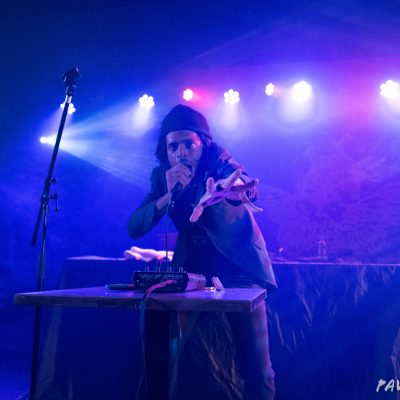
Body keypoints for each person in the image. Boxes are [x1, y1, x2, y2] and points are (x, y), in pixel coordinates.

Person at [128, 104, 277, 400]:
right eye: (173, 146)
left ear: (203, 144)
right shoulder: (162, 176)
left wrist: (231, 188)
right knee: (161, 352)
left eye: (189, 144)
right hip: (192, 272)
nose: (181, 152)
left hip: (238, 269)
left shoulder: (218, 160)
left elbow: (241, 181)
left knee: (256, 366)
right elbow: (134, 227)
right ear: (165, 150)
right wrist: (167, 196)